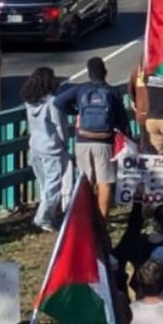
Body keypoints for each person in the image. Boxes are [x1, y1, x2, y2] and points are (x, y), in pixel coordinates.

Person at [53, 57, 130, 218]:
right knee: (105, 182)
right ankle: (101, 220)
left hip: (82, 140)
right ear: (105, 72)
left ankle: (86, 217)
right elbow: (122, 120)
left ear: (89, 73)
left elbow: (58, 102)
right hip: (105, 142)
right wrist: (128, 139)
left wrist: (76, 112)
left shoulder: (81, 90)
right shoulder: (112, 91)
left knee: (86, 182)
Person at [21, 66, 69, 232]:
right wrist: (65, 144)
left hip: (35, 146)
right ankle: (42, 219)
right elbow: (60, 126)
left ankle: (48, 215)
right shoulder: (53, 102)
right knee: (53, 185)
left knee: (44, 184)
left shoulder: (29, 102)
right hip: (52, 148)